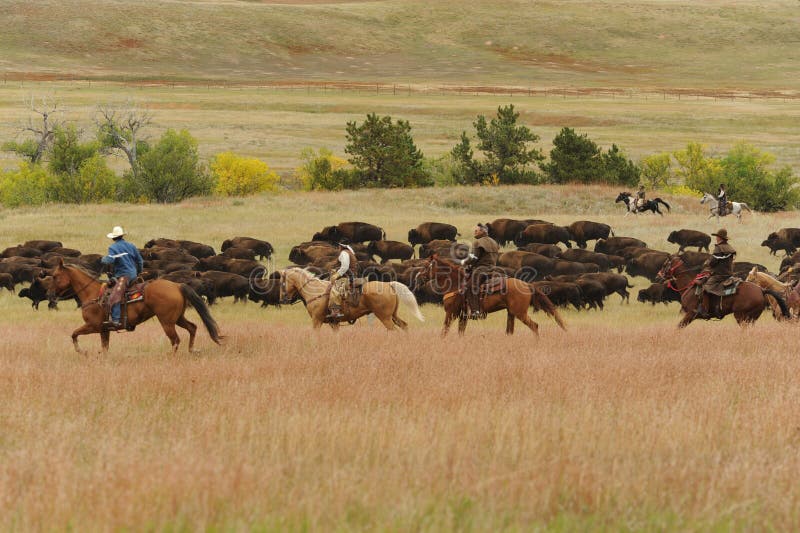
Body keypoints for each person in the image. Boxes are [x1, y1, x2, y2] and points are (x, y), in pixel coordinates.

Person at [100, 226, 143, 329]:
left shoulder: (113, 248)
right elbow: (140, 261)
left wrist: (103, 259)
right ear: (122, 236)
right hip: (133, 275)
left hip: (124, 276)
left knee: (115, 295)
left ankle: (115, 320)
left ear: (113, 238)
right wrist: (138, 272)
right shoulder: (131, 245)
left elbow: (109, 261)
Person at [460, 223, 500, 319]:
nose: (475, 232)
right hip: (494, 268)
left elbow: (474, 258)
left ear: (483, 232)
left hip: (481, 269)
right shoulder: (494, 242)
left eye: (476, 231)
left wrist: (464, 262)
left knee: (470, 287)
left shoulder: (478, 242)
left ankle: (475, 311)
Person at [695, 228, 736, 318]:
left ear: (719, 238)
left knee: (705, 287)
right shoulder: (729, 248)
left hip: (719, 275)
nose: (716, 238)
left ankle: (705, 310)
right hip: (729, 274)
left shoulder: (719, 248)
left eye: (717, 236)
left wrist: (705, 264)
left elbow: (712, 261)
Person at [327, 241, 358, 321]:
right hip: (350, 275)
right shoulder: (349, 252)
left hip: (347, 277)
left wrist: (337, 274)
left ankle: (335, 311)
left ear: (341, 246)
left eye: (339, 246)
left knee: (335, 290)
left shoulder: (344, 253)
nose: (338, 248)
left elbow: (345, 267)